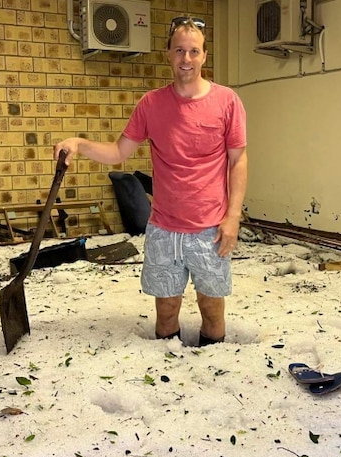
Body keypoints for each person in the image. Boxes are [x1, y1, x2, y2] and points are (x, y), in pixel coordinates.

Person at [54, 17, 247, 346]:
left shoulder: (227, 101)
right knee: (168, 309)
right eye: (179, 51)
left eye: (194, 51)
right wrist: (79, 143)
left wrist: (233, 217)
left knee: (211, 308)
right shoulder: (152, 104)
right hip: (165, 229)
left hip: (210, 228)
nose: (186, 59)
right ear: (168, 54)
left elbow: (238, 160)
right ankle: (167, 377)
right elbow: (118, 152)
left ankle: (214, 369)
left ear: (204, 55)